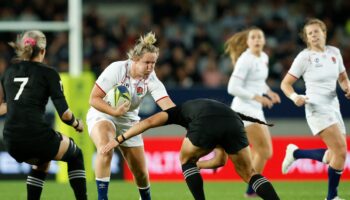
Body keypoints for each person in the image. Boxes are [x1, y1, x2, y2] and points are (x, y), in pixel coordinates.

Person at [101, 98, 280, 200]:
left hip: (208, 121)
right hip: (234, 122)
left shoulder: (177, 112)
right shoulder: (211, 110)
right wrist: (200, 166)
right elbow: (221, 160)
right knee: (250, 173)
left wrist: (120, 138)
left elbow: (147, 123)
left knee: (186, 160)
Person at [87, 32, 175, 200]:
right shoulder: (117, 69)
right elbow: (93, 99)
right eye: (146, 63)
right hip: (104, 113)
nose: (150, 67)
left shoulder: (151, 78)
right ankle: (102, 198)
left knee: (141, 173)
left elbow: (167, 105)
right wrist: (114, 112)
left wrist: (187, 116)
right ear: (135, 59)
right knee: (106, 147)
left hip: (129, 120)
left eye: (153, 63)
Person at [0, 30, 87, 200]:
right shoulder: (49, 73)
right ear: (43, 51)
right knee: (76, 155)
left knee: (42, 163)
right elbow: (65, 115)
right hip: (36, 137)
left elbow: (4, 106)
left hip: (10, 140)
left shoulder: (9, 72)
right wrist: (77, 124)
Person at [197, 27, 281, 197]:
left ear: (264, 41)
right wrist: (257, 97)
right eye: (253, 37)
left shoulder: (264, 57)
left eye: (260, 37)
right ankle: (251, 189)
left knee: (260, 152)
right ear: (248, 42)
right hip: (244, 109)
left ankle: (249, 186)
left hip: (255, 109)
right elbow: (232, 87)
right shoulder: (245, 59)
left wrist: (269, 92)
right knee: (265, 151)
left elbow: (258, 81)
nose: (257, 40)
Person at [280, 18, 350, 200]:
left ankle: (296, 153)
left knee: (336, 155)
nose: (313, 35)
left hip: (334, 107)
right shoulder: (304, 57)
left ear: (324, 33)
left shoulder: (335, 52)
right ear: (307, 38)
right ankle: (331, 197)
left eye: (316, 32)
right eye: (310, 33)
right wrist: (295, 97)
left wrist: (347, 87)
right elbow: (285, 84)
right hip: (316, 107)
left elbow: (343, 77)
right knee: (341, 151)